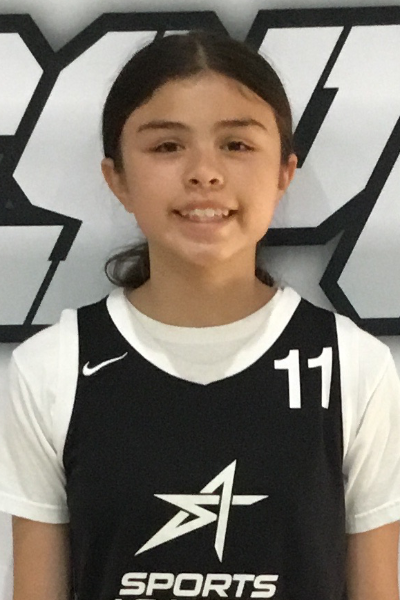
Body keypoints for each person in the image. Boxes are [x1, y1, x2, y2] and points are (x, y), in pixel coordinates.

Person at [0, 30, 399, 600]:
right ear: (117, 178)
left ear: (284, 173)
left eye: (236, 144)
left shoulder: (353, 366)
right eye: (167, 146)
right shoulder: (52, 368)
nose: (204, 172)